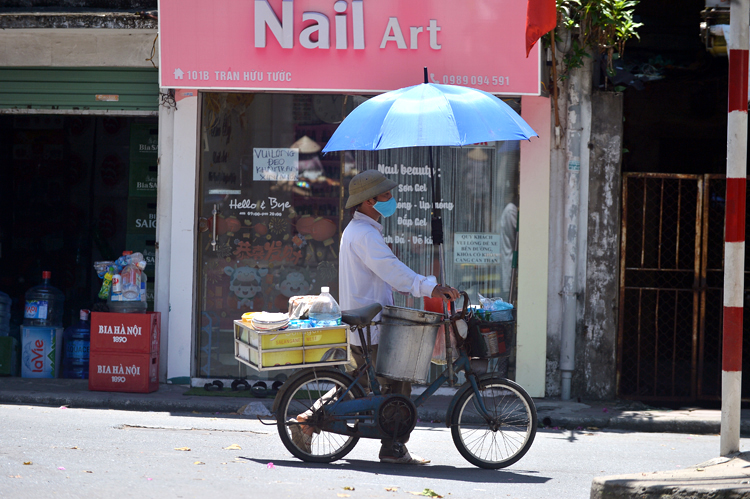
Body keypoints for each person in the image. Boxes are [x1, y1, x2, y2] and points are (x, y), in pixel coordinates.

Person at [291, 169, 459, 465]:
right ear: (369, 201)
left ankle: (309, 419)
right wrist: (431, 287)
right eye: (385, 196)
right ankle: (392, 448)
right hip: (372, 328)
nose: (391, 200)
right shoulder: (365, 235)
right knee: (396, 386)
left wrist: (420, 286)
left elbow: (386, 274)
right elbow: (393, 272)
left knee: (357, 387)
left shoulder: (359, 231)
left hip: (366, 325)